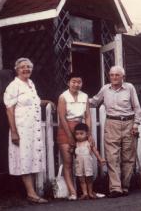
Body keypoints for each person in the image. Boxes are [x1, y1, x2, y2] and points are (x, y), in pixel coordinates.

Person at [3, 57, 54, 204]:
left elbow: (34, 102)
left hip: (33, 129)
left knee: (31, 156)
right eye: (22, 67)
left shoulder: (30, 84)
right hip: (22, 128)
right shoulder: (14, 86)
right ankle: (31, 194)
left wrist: (47, 101)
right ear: (17, 69)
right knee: (24, 158)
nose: (26, 69)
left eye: (28, 67)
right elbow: (9, 110)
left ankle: (33, 192)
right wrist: (14, 131)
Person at [89, 65, 141, 198]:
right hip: (112, 123)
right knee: (112, 157)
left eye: (117, 75)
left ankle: (125, 186)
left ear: (123, 77)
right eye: (112, 75)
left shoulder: (129, 87)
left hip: (129, 124)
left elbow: (137, 108)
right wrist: (78, 99)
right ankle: (115, 188)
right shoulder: (105, 89)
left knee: (128, 157)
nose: (114, 77)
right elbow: (94, 102)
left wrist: (136, 124)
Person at [57, 72, 92, 200]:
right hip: (65, 129)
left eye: (79, 82)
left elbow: (87, 116)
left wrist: (89, 134)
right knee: (68, 162)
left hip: (81, 129)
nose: (76, 84)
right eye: (74, 82)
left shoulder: (85, 96)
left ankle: (87, 191)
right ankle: (73, 192)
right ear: (68, 83)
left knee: (83, 160)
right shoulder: (63, 97)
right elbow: (62, 117)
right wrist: (70, 136)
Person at [73, 123, 106, 200]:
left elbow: (95, 151)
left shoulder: (89, 143)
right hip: (79, 164)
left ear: (87, 134)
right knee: (81, 178)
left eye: (81, 133)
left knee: (89, 178)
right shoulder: (76, 144)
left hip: (87, 164)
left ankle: (90, 192)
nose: (79, 136)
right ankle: (85, 193)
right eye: (77, 134)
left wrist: (100, 158)